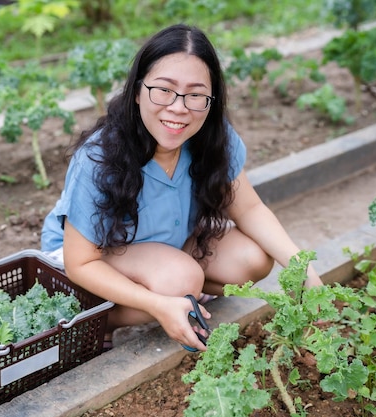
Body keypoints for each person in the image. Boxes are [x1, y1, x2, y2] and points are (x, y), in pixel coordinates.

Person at [41, 24, 323, 352]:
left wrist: (306, 273)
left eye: (195, 94)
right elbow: (81, 262)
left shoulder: (213, 138)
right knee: (180, 279)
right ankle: (104, 320)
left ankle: (176, 291)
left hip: (165, 247)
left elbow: (249, 209)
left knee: (254, 258)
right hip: (91, 259)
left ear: (211, 99)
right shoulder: (100, 156)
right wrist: (158, 304)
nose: (178, 107)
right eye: (164, 90)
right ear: (136, 91)